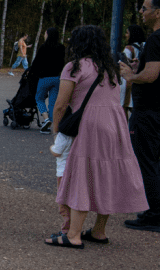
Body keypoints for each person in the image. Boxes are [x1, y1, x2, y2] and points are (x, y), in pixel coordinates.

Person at [47, 25, 148, 247]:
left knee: (82, 175)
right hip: (116, 123)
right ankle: (99, 231)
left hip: (90, 124)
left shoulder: (74, 67)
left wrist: (57, 131)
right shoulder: (110, 67)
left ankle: (73, 235)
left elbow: (60, 104)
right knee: (108, 174)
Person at [120, 0, 160, 231]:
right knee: (155, 161)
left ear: (158, 12)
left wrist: (131, 76)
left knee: (145, 161)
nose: (141, 12)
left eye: (145, 8)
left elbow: (152, 75)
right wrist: (140, 66)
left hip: (148, 110)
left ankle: (153, 214)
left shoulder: (155, 39)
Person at [28, 28, 66, 133]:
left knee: (39, 98)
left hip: (44, 78)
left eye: (45, 33)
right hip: (57, 78)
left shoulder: (44, 47)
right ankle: (50, 125)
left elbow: (36, 62)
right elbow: (62, 62)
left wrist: (31, 73)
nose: (44, 35)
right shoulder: (61, 47)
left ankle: (46, 119)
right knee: (52, 103)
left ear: (48, 35)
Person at [120, 24, 147, 118]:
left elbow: (123, 64)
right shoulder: (145, 45)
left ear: (132, 34)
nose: (126, 35)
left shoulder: (129, 48)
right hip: (141, 79)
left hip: (128, 81)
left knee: (124, 107)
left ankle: (125, 127)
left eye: (127, 33)